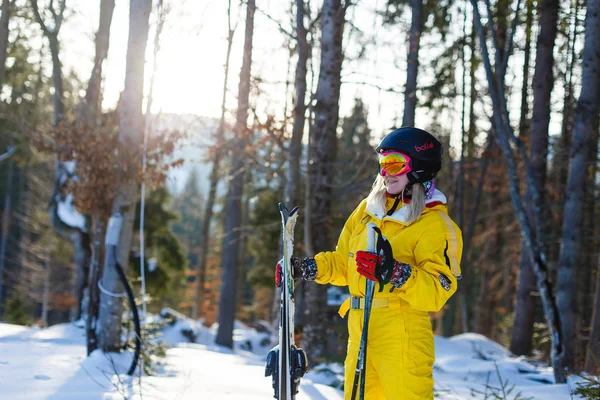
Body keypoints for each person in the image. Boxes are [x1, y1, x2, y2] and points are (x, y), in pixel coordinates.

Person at [276, 127, 463, 399]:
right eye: (382, 164)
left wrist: (396, 273)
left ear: (420, 168)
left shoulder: (436, 225)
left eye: (394, 163)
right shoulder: (368, 210)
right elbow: (344, 262)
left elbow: (437, 291)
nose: (385, 172)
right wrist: (307, 268)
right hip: (360, 329)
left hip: (402, 336)